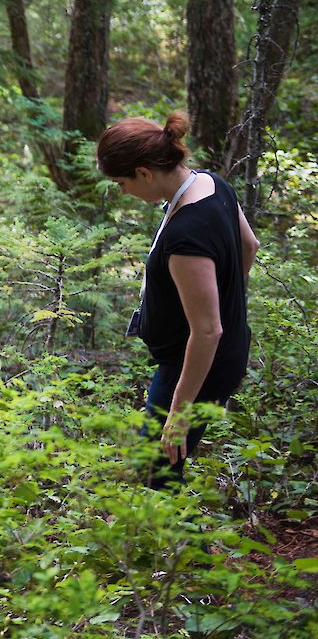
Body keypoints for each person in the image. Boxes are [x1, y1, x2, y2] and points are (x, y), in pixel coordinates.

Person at [96, 112, 260, 489]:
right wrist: (220, 296)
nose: (122, 192)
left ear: (144, 173)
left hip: (196, 364)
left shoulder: (187, 235)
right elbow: (250, 245)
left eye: (122, 183)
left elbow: (206, 331)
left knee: (157, 469)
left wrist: (180, 412)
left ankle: (175, 544)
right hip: (212, 355)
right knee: (160, 463)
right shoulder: (211, 183)